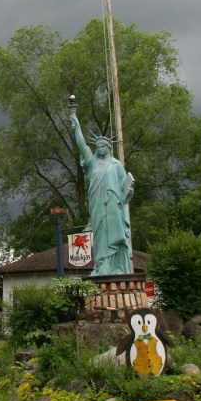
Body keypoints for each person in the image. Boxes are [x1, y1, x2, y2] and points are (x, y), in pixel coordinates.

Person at [69, 102, 134, 276]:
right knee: (99, 236)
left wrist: (128, 192)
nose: (99, 148)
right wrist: (76, 124)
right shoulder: (92, 163)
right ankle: (102, 265)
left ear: (108, 148)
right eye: (97, 146)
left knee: (114, 234)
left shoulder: (116, 165)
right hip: (97, 205)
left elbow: (124, 188)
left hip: (113, 204)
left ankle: (117, 266)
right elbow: (82, 146)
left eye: (102, 146)